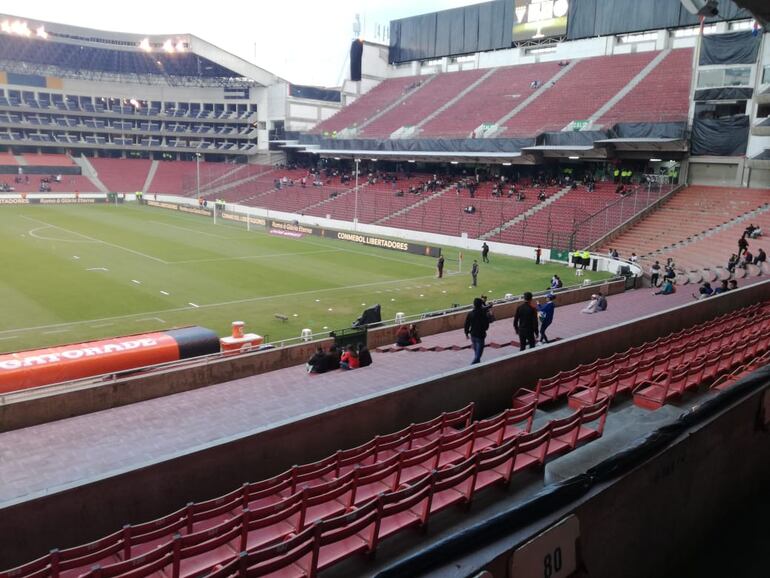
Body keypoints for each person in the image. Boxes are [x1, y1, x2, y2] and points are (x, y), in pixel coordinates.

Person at [465, 297, 490, 364]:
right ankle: (471, 367)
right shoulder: (483, 314)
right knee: (478, 356)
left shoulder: (470, 313)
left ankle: (477, 366)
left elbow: (466, 324)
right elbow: (486, 325)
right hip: (480, 336)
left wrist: (466, 333)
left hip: (473, 335)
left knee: (477, 354)